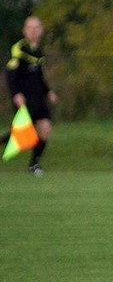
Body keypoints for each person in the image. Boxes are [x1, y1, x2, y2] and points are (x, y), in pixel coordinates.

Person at [4, 16, 59, 176]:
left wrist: (49, 92)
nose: (33, 31)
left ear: (41, 31)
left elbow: (40, 77)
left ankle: (34, 164)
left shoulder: (39, 52)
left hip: (38, 98)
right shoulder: (19, 49)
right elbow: (11, 74)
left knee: (45, 129)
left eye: (36, 28)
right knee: (21, 134)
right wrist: (16, 94)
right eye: (30, 28)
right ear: (24, 30)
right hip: (24, 98)